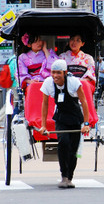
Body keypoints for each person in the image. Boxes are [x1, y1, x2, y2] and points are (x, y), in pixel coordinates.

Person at [39, 60, 90, 189]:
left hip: (75, 118)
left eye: (58, 73)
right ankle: (64, 176)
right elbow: (45, 104)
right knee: (63, 143)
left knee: (73, 149)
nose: (55, 75)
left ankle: (70, 177)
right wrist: (43, 125)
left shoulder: (74, 83)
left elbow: (84, 102)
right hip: (61, 118)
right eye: (53, 72)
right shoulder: (48, 83)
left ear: (65, 73)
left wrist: (86, 123)